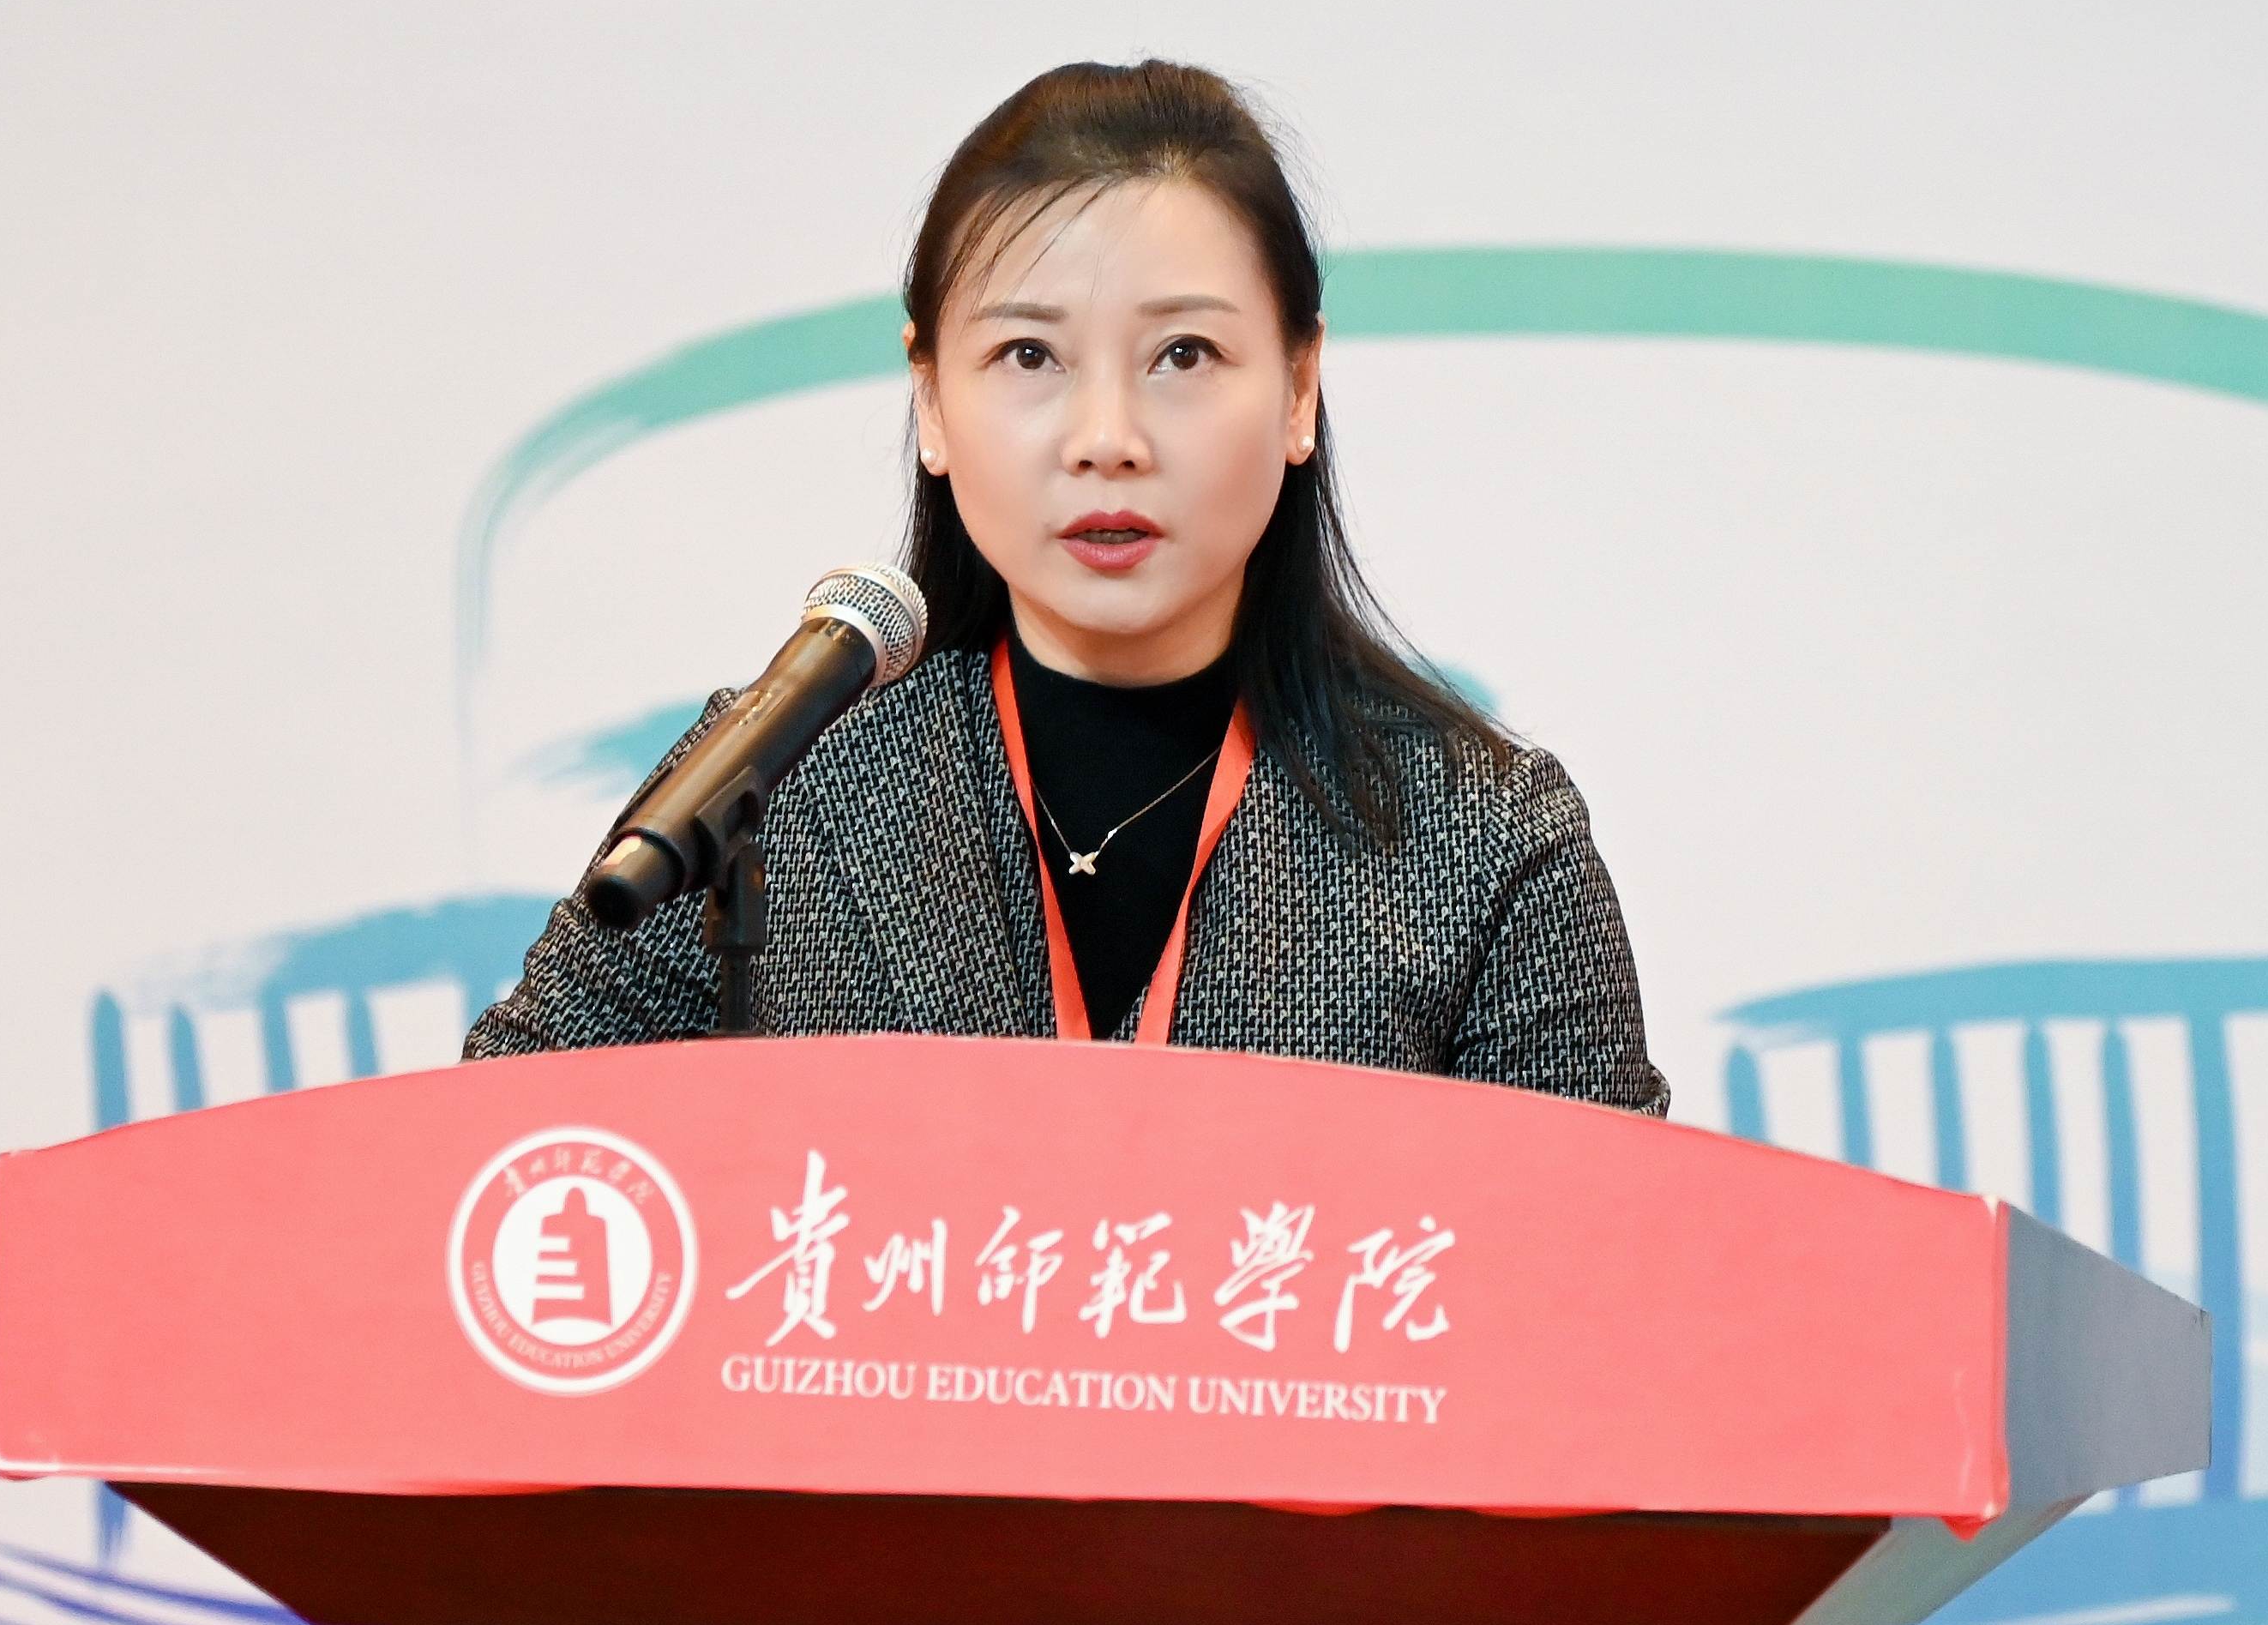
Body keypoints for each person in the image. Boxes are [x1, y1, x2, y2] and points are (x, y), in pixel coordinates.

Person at [465, 59, 1669, 1114]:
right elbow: (500, 1162)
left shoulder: (1485, 839)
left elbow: (1606, 1269)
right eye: (1027, 354)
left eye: (1183, 354)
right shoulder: (774, 787)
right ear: (932, 399)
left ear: (1300, 387)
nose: (1106, 439)